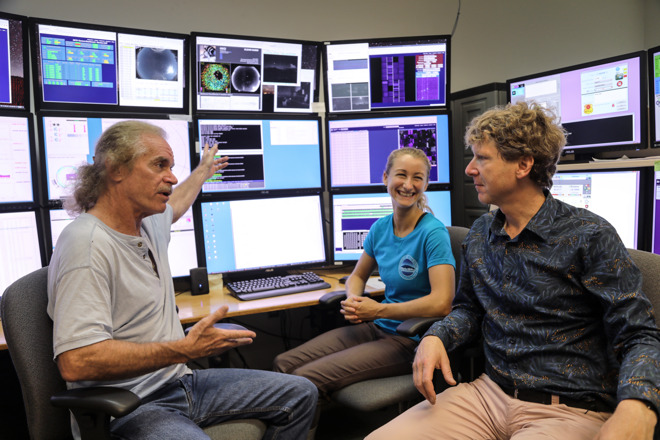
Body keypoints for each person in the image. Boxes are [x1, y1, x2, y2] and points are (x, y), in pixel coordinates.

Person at [366, 102, 660, 440]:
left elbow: (638, 334)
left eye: (482, 158)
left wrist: (639, 403)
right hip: (487, 395)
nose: (469, 170)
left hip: (568, 408)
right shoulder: (481, 233)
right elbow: (468, 310)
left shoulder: (589, 235)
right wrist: (437, 336)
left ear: (523, 164)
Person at [47, 121, 317, 440]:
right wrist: (184, 349)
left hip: (181, 383)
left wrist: (203, 170)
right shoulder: (87, 245)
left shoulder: (147, 222)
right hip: (131, 406)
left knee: (302, 394)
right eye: (160, 165)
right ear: (116, 169)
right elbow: (77, 363)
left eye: (172, 167)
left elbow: (177, 204)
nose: (172, 178)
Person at [273, 147, 456, 397]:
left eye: (418, 177)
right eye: (401, 175)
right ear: (385, 178)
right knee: (282, 364)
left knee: (303, 379)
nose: (408, 184)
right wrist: (353, 299)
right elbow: (357, 276)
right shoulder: (380, 228)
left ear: (425, 184)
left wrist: (378, 309)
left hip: (410, 339)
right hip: (376, 326)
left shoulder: (433, 233)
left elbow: (442, 303)